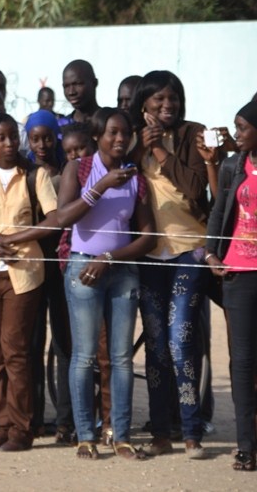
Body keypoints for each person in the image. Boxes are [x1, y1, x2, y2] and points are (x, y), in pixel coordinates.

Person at [57, 107, 156, 460]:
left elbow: (147, 237)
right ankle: (86, 436)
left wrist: (111, 259)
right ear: (97, 136)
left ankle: (122, 435)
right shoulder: (79, 168)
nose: (120, 139)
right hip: (83, 269)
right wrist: (99, 187)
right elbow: (62, 216)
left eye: (125, 133)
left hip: (121, 269)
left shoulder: (136, 177)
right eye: (112, 132)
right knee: (84, 358)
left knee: (122, 359)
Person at [0, 112, 59, 451]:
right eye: (0, 138)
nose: (8, 144)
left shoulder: (35, 175)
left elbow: (54, 220)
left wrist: (16, 237)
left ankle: (22, 429)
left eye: (12, 137)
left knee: (15, 351)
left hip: (24, 274)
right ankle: (0, 425)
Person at [129, 70, 211, 459]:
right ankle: (161, 431)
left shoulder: (194, 133)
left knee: (180, 341)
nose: (167, 106)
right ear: (143, 104)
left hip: (188, 251)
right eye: (159, 100)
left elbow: (196, 189)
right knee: (157, 347)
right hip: (148, 254)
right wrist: (135, 150)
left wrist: (161, 149)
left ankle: (192, 428)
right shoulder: (131, 136)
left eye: (173, 98)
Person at [205, 101, 257, 472]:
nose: (236, 133)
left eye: (242, 127)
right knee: (242, 362)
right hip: (238, 274)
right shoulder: (233, 165)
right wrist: (210, 254)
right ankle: (245, 446)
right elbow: (219, 209)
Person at [22, 109, 71, 438]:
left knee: (66, 343)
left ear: (56, 136)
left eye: (47, 137)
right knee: (32, 342)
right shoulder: (23, 171)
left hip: (62, 264)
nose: (41, 144)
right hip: (31, 263)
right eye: (35, 138)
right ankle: (34, 416)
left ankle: (67, 420)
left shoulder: (68, 169)